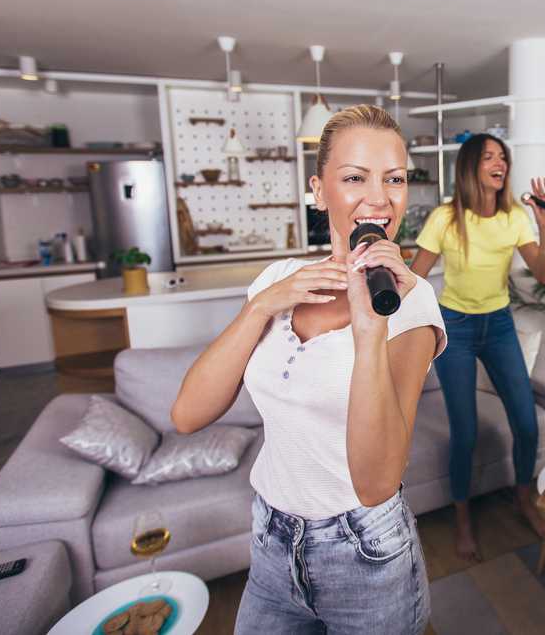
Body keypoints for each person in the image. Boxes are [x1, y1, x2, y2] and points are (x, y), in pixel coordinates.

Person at [172, 105, 446, 634]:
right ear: (319, 191)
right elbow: (187, 414)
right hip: (271, 544)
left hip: (365, 556)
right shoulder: (278, 278)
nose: (379, 198)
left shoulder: (410, 306)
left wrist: (370, 335)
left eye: (394, 179)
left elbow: (376, 483)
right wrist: (260, 306)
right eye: (353, 178)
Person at [410, 132, 545, 560]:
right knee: (467, 432)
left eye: (503, 157)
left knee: (527, 423)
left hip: (498, 325)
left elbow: (544, 273)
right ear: (471, 167)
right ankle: (461, 516)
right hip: (454, 327)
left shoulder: (514, 218)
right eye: (490, 156)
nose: (500, 163)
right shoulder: (444, 218)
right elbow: (416, 279)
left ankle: (523, 497)